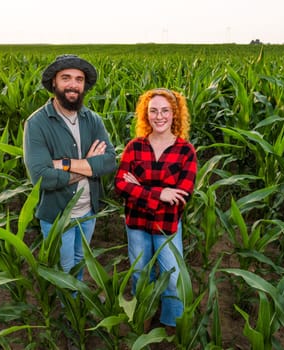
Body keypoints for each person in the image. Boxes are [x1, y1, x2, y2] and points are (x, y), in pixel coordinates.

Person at [23, 54, 116, 281]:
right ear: (54, 82)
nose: (73, 84)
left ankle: (78, 299)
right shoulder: (36, 124)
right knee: (64, 270)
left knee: (80, 260)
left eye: (79, 79)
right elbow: (42, 178)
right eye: (66, 78)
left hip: (88, 211)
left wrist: (64, 165)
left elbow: (110, 161)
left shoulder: (93, 120)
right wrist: (89, 164)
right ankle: (70, 312)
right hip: (57, 215)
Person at [114, 88, 197, 331]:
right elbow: (120, 184)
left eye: (165, 111)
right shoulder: (135, 147)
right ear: (146, 115)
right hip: (137, 225)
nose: (159, 116)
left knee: (173, 278)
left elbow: (182, 195)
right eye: (153, 111)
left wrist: (138, 188)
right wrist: (160, 193)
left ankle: (172, 325)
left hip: (167, 226)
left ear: (175, 114)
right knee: (141, 275)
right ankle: (144, 318)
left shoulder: (185, 151)